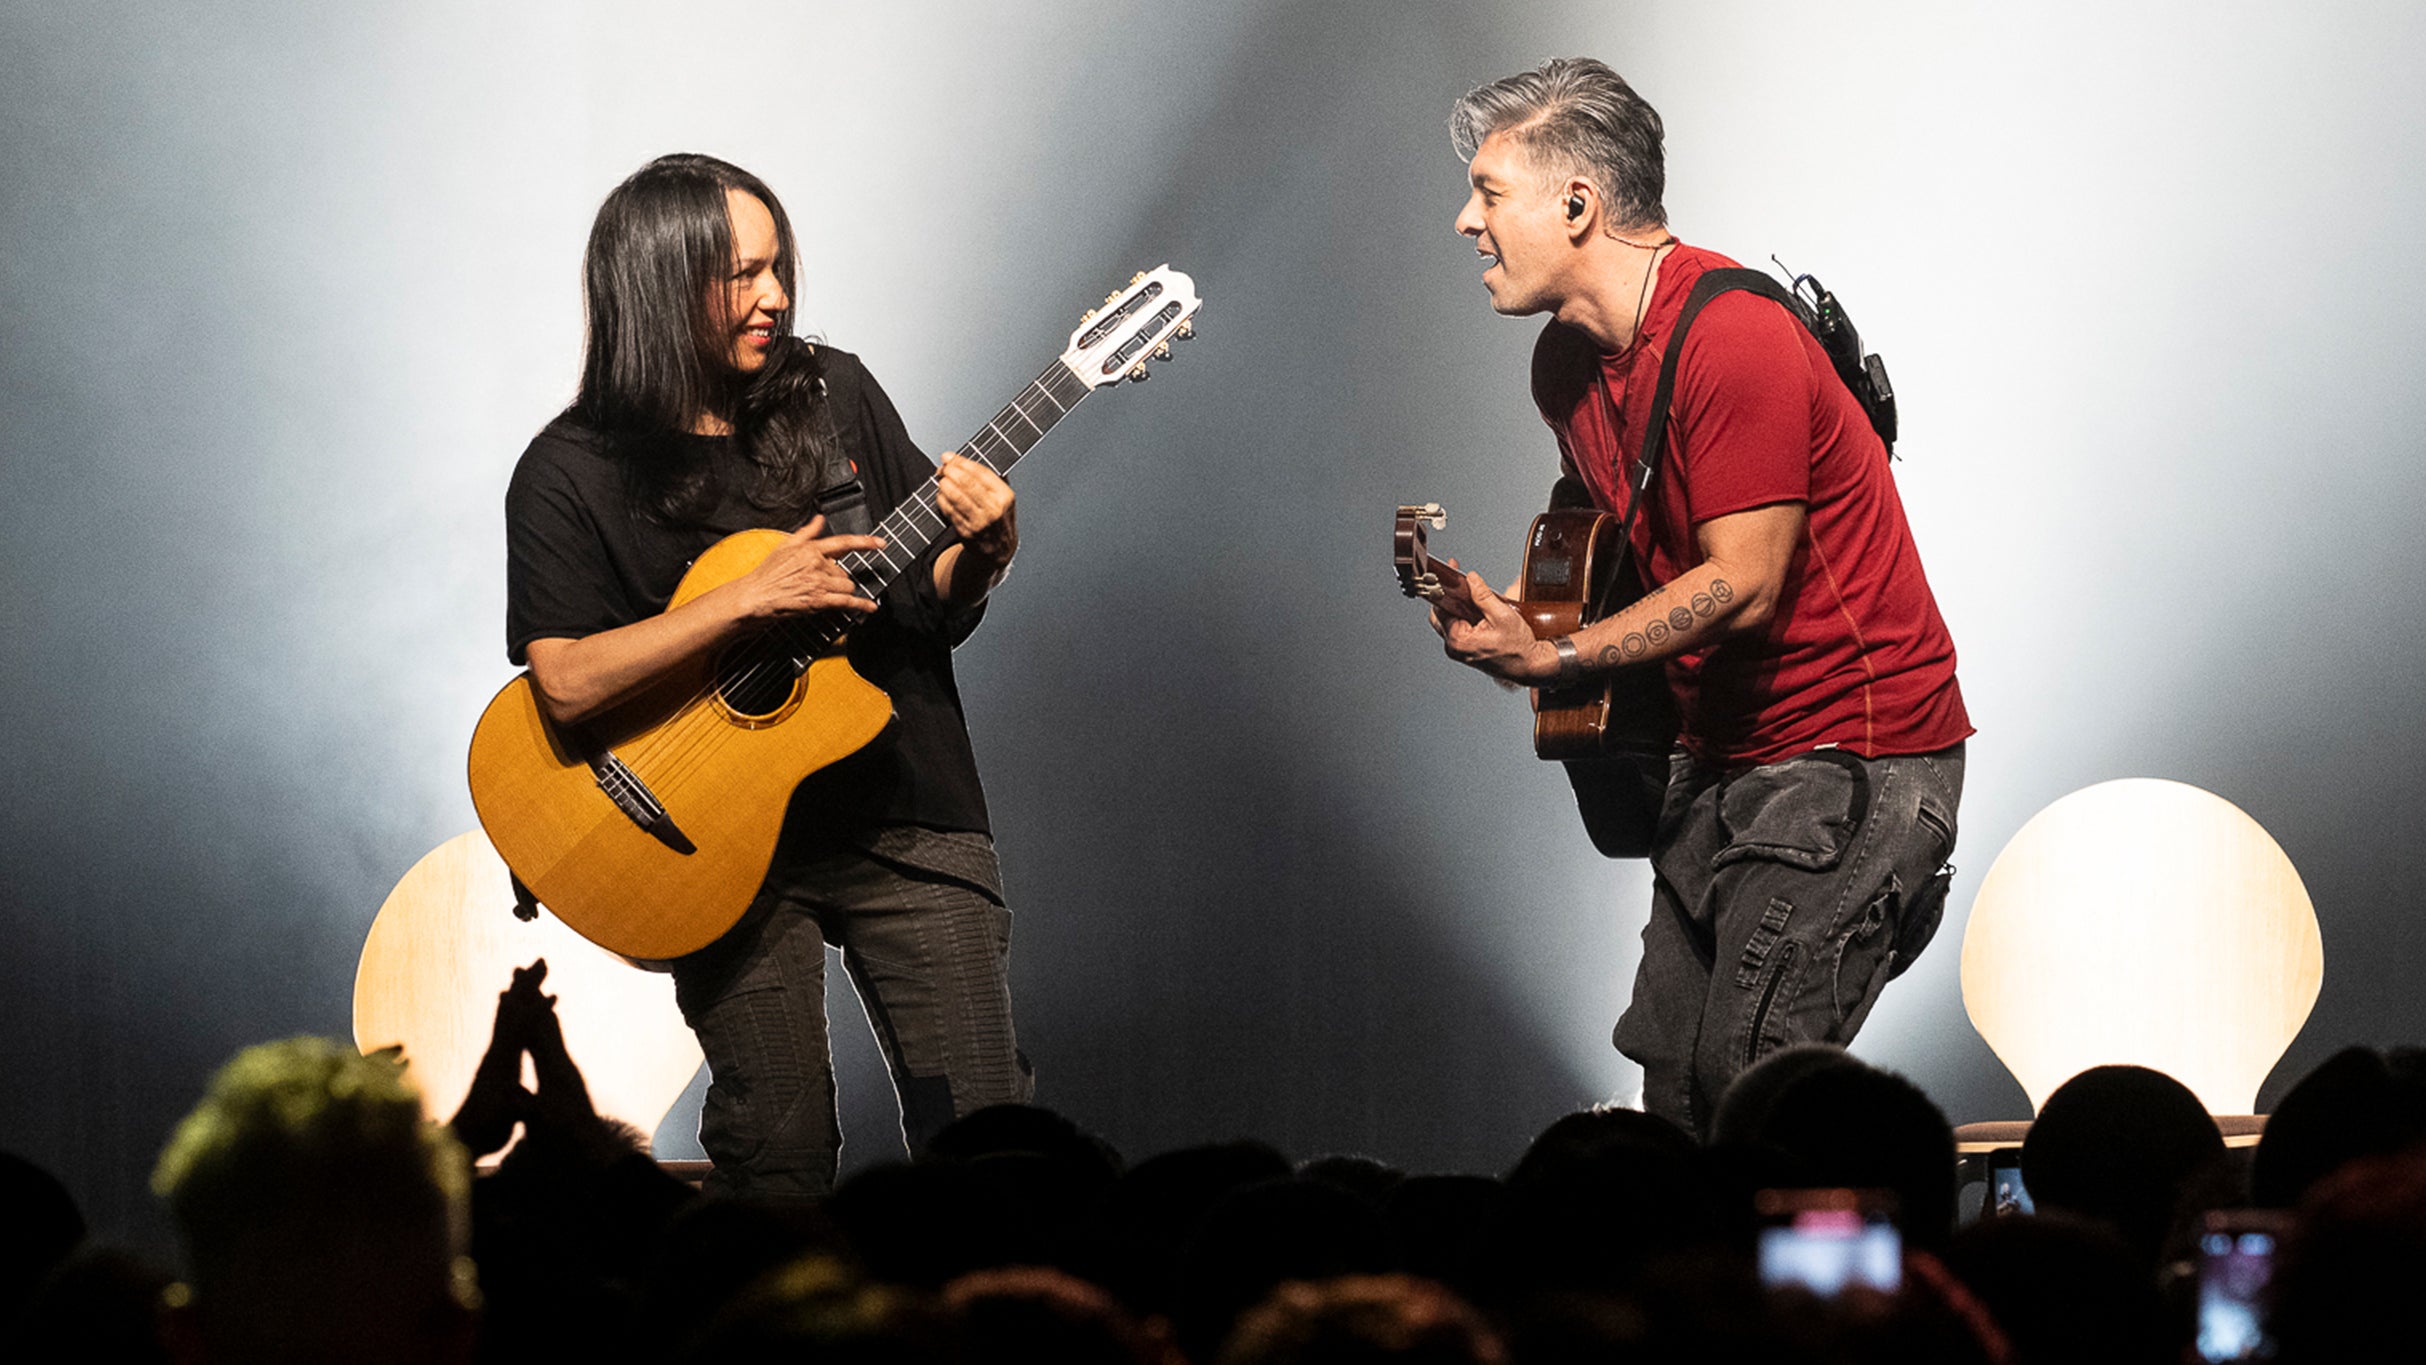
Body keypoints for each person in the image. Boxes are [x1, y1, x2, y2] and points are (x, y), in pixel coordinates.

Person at [1431, 59, 1971, 1136]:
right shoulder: (1563, 369)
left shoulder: (1730, 335)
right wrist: (1525, 622)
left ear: (1577, 204)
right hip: (1718, 765)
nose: (1463, 222)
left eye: (1489, 194)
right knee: (1673, 1106)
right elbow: (1631, 552)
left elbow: (1742, 583)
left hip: (1849, 760)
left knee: (1753, 1096)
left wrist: (1566, 660)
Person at [504, 153, 1032, 1199]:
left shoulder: (833, 395)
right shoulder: (569, 469)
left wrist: (983, 551)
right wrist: (744, 599)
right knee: (775, 1156)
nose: (776, 297)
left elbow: (924, 599)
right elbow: (562, 682)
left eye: (779, 266)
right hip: (714, 850)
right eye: (742, 274)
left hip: (903, 812)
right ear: (659, 281)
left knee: (990, 1150)